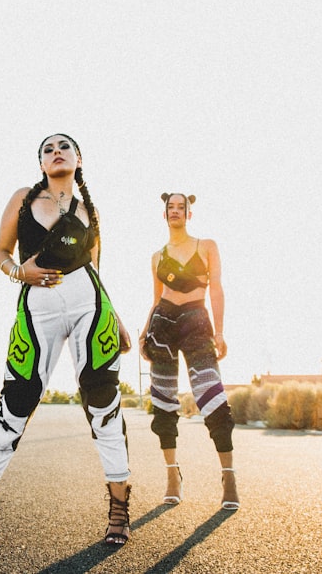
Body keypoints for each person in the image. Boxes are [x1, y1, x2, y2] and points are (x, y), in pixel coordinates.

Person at [0, 134, 133, 548]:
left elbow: (96, 268)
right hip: (37, 306)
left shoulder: (89, 209)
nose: (55, 151)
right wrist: (18, 273)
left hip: (87, 303)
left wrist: (116, 316)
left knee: (102, 398)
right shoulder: (24, 198)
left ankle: (118, 506)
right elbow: (1, 252)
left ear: (79, 158)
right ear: (41, 164)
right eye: (47, 149)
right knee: (18, 397)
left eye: (64, 146)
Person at [139, 192, 239, 511]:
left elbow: (217, 288)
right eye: (171, 207)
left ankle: (229, 476)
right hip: (164, 323)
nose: (176, 212)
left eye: (181, 208)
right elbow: (156, 299)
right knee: (163, 403)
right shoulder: (157, 256)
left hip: (197, 320)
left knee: (212, 396)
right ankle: (172, 476)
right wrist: (144, 334)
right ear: (164, 213)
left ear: (189, 214)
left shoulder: (206, 246)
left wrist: (220, 331)